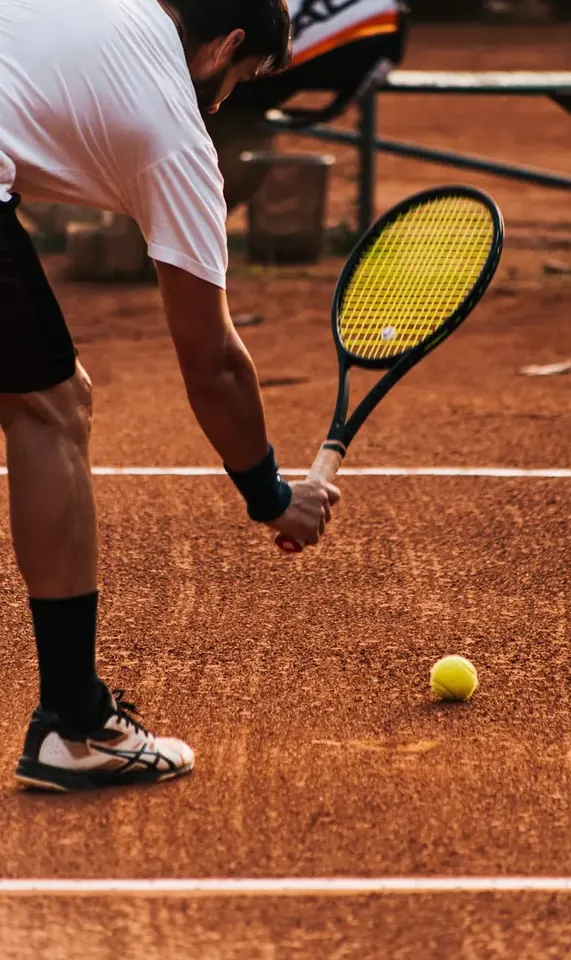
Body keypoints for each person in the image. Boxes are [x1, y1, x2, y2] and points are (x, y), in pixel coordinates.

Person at [0, 0, 340, 793]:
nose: (223, 103)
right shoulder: (175, 132)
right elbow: (213, 363)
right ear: (225, 46)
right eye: (241, 79)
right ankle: (75, 727)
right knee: (52, 407)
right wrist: (271, 497)